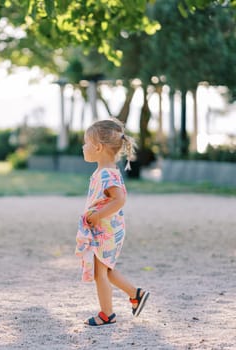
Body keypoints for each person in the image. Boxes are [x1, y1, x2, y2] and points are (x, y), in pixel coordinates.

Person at [75, 118, 149, 326]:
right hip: (103, 230)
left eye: (86, 143)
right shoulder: (102, 172)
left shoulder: (107, 173)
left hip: (107, 230)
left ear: (98, 147)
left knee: (101, 273)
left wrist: (98, 216)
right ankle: (135, 294)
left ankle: (107, 313)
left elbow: (120, 199)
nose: (83, 147)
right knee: (106, 270)